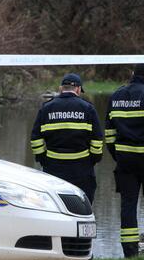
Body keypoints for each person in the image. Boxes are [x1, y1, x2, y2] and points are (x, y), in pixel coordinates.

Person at [105, 63, 144, 258]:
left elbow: (109, 133)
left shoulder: (116, 96)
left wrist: (118, 154)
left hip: (125, 160)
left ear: (133, 74)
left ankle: (130, 252)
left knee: (128, 204)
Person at [30, 73, 103, 203]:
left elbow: (36, 138)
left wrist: (42, 158)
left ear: (60, 88)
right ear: (78, 89)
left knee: (55, 206)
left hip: (53, 167)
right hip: (81, 167)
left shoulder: (46, 108)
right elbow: (97, 139)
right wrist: (93, 159)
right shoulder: (88, 108)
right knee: (82, 206)